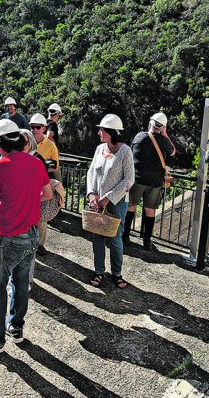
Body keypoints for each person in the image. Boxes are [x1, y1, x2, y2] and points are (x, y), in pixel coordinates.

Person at [0, 119, 52, 354]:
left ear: (1, 144)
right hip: (31, 235)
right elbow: (46, 194)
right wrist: (26, 199)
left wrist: (2, 211)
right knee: (22, 283)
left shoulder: (0, 166)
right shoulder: (36, 163)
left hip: (9, 235)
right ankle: (16, 327)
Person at [86, 114, 134, 289]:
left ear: (111, 132)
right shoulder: (99, 149)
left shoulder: (125, 151)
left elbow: (129, 179)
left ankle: (116, 273)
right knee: (97, 236)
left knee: (114, 237)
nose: (99, 132)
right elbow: (91, 172)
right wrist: (91, 194)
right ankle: (99, 271)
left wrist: (109, 197)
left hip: (117, 202)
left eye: (102, 130)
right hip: (98, 200)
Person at [123, 112, 176, 251]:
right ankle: (147, 242)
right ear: (162, 128)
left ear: (149, 124)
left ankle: (125, 236)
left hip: (137, 179)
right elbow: (173, 152)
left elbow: (131, 152)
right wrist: (165, 135)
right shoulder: (164, 141)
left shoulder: (139, 136)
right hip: (154, 182)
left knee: (131, 207)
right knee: (150, 210)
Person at [29, 113, 59, 256]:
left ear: (44, 128)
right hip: (26, 183)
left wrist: (42, 166)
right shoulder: (25, 141)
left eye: (37, 127)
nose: (34, 130)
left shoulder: (50, 145)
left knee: (41, 216)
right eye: (32, 127)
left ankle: (40, 244)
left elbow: (55, 166)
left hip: (42, 184)